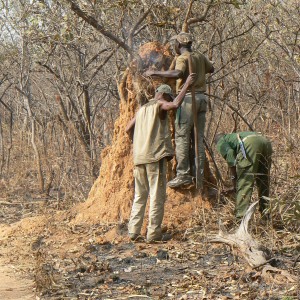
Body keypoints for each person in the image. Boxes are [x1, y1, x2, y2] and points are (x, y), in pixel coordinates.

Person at [126, 74, 196, 243]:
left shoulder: (141, 109)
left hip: (139, 158)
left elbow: (128, 128)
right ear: (164, 95)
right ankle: (153, 234)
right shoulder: (159, 104)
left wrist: (138, 142)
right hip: (154, 157)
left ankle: (133, 233)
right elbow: (175, 104)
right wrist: (186, 84)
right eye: (168, 97)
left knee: (139, 196)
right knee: (157, 196)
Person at [144, 32, 214, 189]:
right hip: (202, 99)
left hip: (188, 100)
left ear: (179, 45)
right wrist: (200, 69)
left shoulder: (183, 58)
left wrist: (154, 72)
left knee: (182, 137)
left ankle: (183, 175)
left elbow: (178, 73)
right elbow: (212, 68)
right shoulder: (200, 56)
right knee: (198, 140)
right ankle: (199, 175)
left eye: (175, 44)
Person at [215, 132, 273, 220]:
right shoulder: (234, 136)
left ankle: (240, 218)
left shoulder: (220, 141)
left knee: (245, 181)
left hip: (250, 144)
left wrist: (234, 180)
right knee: (263, 181)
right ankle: (266, 215)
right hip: (265, 142)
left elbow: (230, 154)